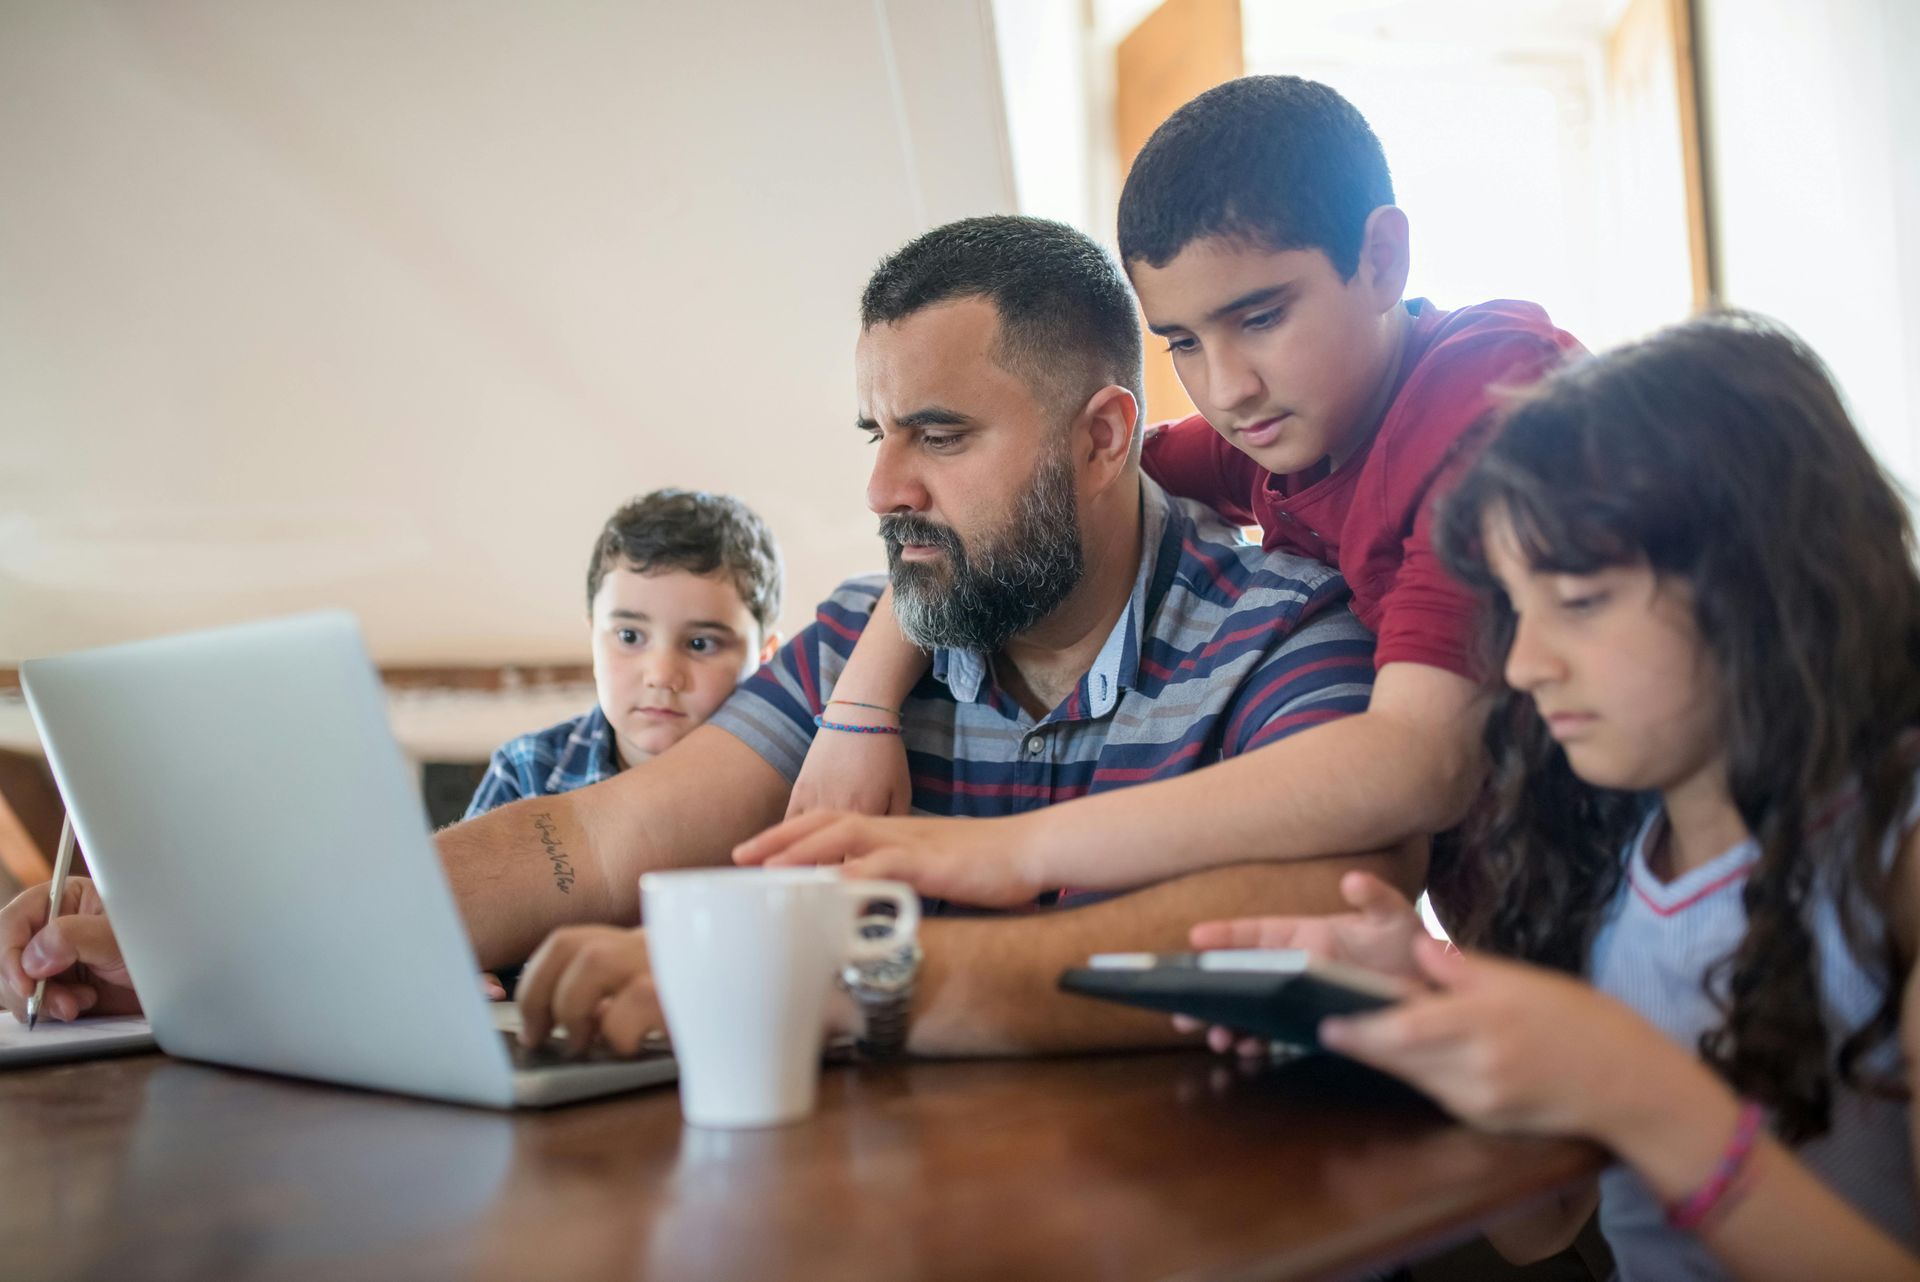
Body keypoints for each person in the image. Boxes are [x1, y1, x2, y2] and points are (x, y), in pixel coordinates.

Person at [1, 215, 1415, 1059]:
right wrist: (205, 942)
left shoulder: (1287, 629)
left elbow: (1293, 918)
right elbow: (590, 844)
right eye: (875, 433)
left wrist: (806, 977)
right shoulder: (878, 633)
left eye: (938, 434)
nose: (882, 489)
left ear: (1106, 434)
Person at [1189, 315, 1920, 1279]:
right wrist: (1426, 1023)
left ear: (1761, 578)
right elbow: (1541, 1228)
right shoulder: (1604, 845)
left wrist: (1635, 1088)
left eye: (1578, 605)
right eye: (1515, 613)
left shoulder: (1892, 863)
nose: (1525, 667)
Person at [745, 75, 1581, 908]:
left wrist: (1017, 851)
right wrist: (859, 708)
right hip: (1517, 934)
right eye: (1182, 340)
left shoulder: (1492, 397)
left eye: (1260, 318)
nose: (1226, 389)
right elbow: (1025, 488)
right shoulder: (1276, 436)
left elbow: (1419, 762)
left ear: (1382, 260)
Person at [464, 488, 783, 818]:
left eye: (700, 644)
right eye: (629, 636)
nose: (661, 676)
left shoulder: (799, 782)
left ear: (764, 657)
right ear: (593, 637)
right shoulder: (525, 775)